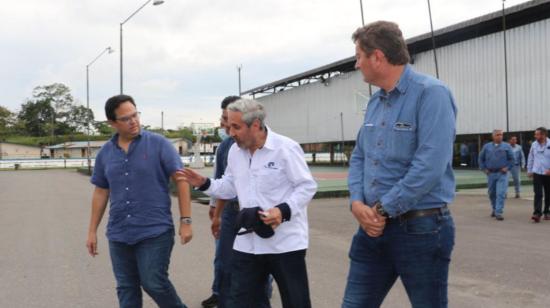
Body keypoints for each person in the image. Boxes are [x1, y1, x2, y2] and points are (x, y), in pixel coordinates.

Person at [343, 21, 457, 308]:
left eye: (359, 57)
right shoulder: (375, 103)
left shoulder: (431, 94)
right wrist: (357, 202)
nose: (357, 65)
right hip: (371, 229)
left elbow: (429, 166)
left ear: (377, 57)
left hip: (421, 229)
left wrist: (381, 209)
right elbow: (359, 157)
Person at [176, 98, 317, 308]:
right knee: (241, 300)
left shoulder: (285, 148)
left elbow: (306, 186)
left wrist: (282, 210)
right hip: (247, 241)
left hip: (285, 243)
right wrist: (204, 183)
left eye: (236, 127)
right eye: (228, 126)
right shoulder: (235, 151)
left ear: (256, 125)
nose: (231, 132)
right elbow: (230, 186)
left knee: (296, 302)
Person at [86, 94, 192, 308]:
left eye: (135, 115)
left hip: (154, 230)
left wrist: (186, 221)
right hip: (119, 232)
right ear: (112, 123)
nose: (133, 121)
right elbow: (101, 191)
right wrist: (91, 231)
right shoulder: (105, 153)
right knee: (126, 287)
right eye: (126, 118)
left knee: (154, 282)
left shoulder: (159, 144)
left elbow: (182, 181)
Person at [202, 96, 272, 308]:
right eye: (224, 120)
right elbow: (224, 183)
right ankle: (222, 296)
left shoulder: (276, 147)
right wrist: (216, 212)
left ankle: (261, 297)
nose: (226, 126)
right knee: (225, 262)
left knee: (260, 263)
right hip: (232, 211)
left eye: (231, 122)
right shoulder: (226, 148)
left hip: (258, 214)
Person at [479, 129, 514, 220]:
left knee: (501, 193)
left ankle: (499, 212)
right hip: (490, 173)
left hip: (502, 173)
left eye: (501, 135)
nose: (500, 136)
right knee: (492, 193)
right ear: (493, 136)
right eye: (498, 135)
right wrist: (484, 169)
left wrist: (507, 168)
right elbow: (481, 159)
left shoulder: (507, 146)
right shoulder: (487, 147)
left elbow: (512, 159)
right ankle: (494, 209)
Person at [527, 127, 550, 222]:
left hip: (548, 173)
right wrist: (529, 170)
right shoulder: (534, 145)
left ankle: (547, 212)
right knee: (538, 193)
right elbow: (531, 157)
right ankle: (537, 213)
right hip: (537, 172)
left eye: (537, 134)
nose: (535, 136)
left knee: (548, 193)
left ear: (543, 135)